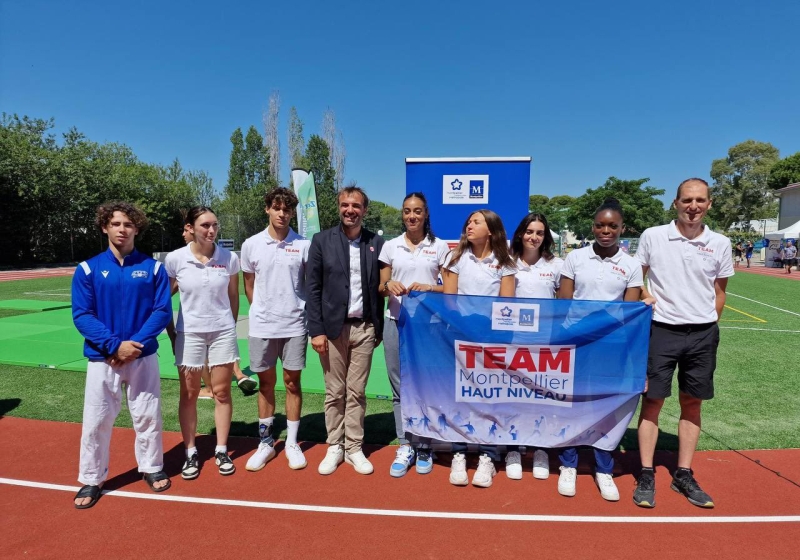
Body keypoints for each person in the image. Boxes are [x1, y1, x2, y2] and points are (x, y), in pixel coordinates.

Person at [634, 178, 734, 509]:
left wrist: (708, 324)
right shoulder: (653, 236)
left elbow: (720, 291)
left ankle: (684, 473)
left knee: (693, 403)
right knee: (653, 402)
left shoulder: (720, 242)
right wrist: (649, 298)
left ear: (709, 204)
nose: (693, 206)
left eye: (700, 200)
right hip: (661, 331)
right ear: (675, 203)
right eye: (687, 200)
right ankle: (646, 472)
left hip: (702, 334)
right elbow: (637, 278)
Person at [71, 201, 172, 509]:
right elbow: (82, 315)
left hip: (142, 357)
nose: (121, 229)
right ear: (105, 227)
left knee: (148, 416)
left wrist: (134, 345)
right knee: (97, 420)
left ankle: (152, 467)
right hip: (104, 358)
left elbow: (161, 311)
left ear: (136, 229)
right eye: (115, 224)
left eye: (128, 224)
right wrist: (115, 345)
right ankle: (92, 477)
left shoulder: (153, 268)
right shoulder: (88, 269)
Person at [557, 198, 643, 501]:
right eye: (600, 225)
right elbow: (563, 305)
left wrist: (601, 323)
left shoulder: (631, 265)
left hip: (612, 344)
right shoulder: (575, 258)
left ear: (622, 229)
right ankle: (568, 462)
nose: (605, 230)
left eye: (612, 226)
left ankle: (603, 467)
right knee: (573, 402)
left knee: (605, 404)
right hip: (578, 342)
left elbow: (629, 311)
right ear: (592, 227)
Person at [307, 186, 385, 475]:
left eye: (355, 205)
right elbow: (312, 289)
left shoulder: (376, 242)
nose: (349, 210)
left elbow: (380, 288)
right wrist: (316, 330)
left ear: (364, 209)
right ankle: (334, 446)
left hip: (364, 328)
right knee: (334, 391)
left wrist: (377, 327)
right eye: (344, 205)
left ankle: (354, 447)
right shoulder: (321, 241)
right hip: (331, 329)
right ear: (338, 207)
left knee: (357, 392)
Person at [442, 209, 516, 488]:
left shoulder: (505, 262)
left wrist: (489, 331)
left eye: (476, 222)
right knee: (460, 395)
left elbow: (506, 305)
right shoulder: (455, 257)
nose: (469, 226)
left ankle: (488, 456)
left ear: (491, 230)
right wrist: (467, 326)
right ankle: (459, 453)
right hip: (460, 335)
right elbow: (449, 301)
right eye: (468, 222)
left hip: (492, 338)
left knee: (489, 395)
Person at [165, 207, 241, 479]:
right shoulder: (176, 259)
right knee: (189, 395)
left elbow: (234, 297)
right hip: (190, 334)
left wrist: (229, 328)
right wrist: (172, 333)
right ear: (191, 227)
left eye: (215, 225)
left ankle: (221, 449)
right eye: (205, 225)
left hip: (222, 333)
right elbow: (164, 299)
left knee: (222, 393)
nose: (211, 231)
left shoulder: (229, 258)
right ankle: (191, 452)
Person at [378, 192, 449, 477]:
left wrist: (430, 287)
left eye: (417, 211)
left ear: (425, 214)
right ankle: (406, 443)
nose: (412, 216)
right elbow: (380, 286)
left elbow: (451, 288)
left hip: (429, 327)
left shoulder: (440, 246)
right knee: (400, 388)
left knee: (426, 386)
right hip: (396, 321)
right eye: (407, 211)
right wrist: (390, 285)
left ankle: (425, 445)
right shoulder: (390, 246)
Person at [240, 187, 311, 471]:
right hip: (262, 327)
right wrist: (261, 310)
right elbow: (248, 284)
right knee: (266, 385)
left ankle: (292, 442)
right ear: (267, 209)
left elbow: (310, 284)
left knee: (293, 383)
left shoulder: (304, 245)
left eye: (287, 209)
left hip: (295, 325)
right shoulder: (251, 245)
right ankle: (266, 443)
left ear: (292, 212)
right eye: (277, 208)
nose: (282, 214)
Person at [509, 212, 564, 481]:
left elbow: (566, 304)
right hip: (513, 342)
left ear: (546, 237)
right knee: (513, 397)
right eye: (530, 231)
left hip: (545, 344)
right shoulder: (506, 262)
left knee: (542, 397)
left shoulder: (556, 265)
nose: (534, 237)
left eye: (540, 233)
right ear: (521, 233)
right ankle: (513, 450)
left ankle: (540, 449)